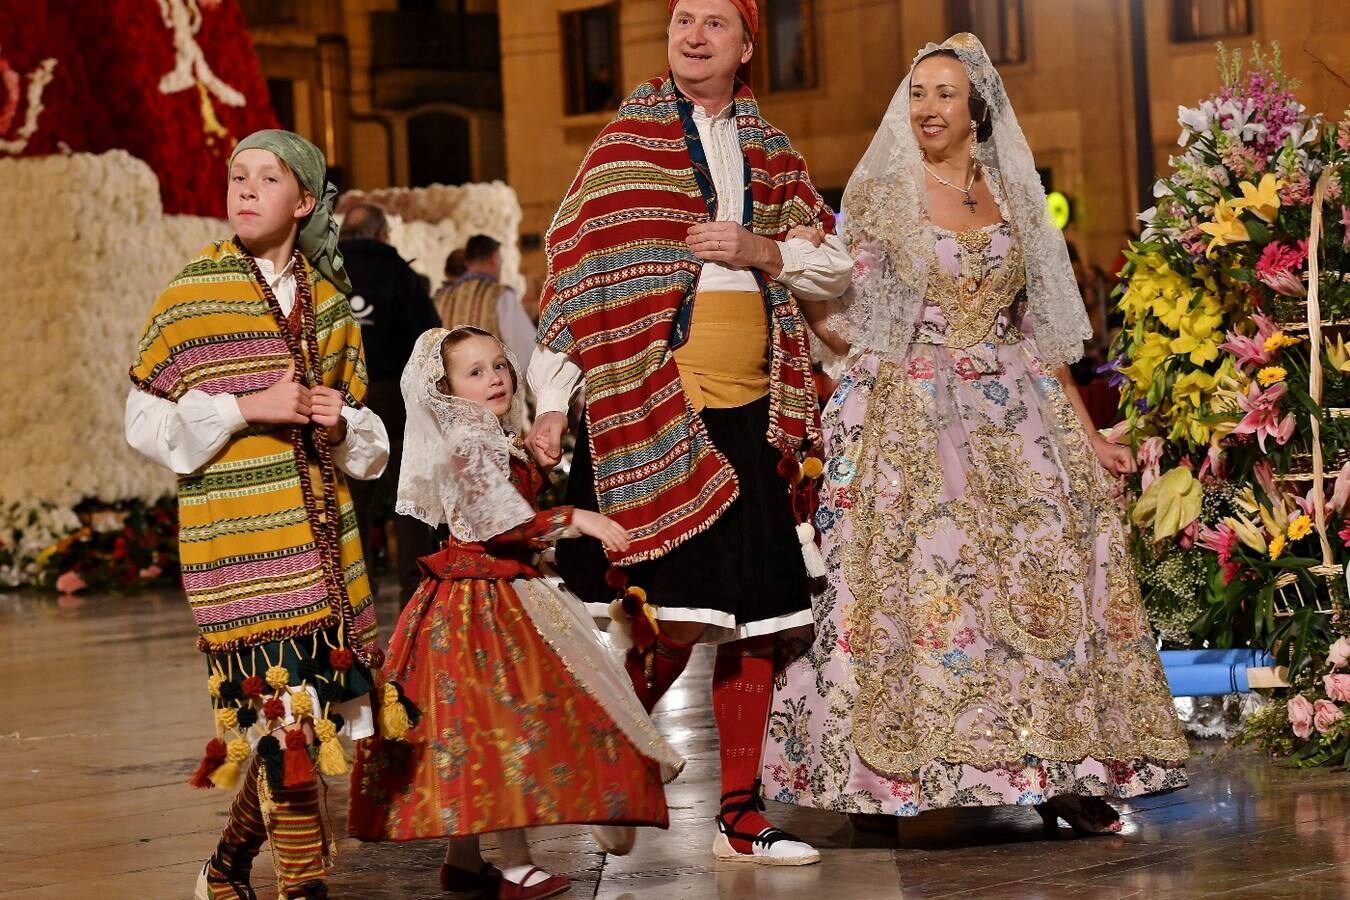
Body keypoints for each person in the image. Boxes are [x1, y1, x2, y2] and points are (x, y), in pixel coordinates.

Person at [762, 34, 1188, 836]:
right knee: (921, 578)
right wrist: (867, 368)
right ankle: (882, 781)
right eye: (918, 92)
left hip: (1017, 399)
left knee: (1047, 563)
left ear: (975, 109)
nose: (926, 107)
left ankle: (1062, 769)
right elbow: (828, 297)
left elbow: (1043, 322)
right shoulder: (886, 195)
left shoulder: (1013, 193)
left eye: (944, 94)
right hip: (911, 406)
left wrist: (1087, 429)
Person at [527, 0, 852, 865]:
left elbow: (834, 263)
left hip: (761, 412)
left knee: (758, 617)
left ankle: (738, 819)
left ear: (747, 45)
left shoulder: (774, 153)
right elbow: (576, 283)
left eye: (714, 22)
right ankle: (614, 767)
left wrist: (760, 250)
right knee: (675, 617)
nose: (694, 35)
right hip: (657, 408)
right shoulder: (619, 151)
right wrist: (554, 400)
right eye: (681, 20)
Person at [125, 129, 397, 900]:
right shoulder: (190, 295)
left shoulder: (335, 304)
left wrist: (338, 422)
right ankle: (303, 887)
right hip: (236, 548)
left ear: (304, 201)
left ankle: (226, 866)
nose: (244, 189)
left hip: (321, 552)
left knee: (301, 721)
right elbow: (142, 420)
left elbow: (368, 439)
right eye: (236, 176)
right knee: (289, 716)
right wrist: (246, 408)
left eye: (266, 178)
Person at [348, 327, 683, 900]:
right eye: (474, 372)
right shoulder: (469, 439)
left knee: (471, 732)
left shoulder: (486, 436)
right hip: (480, 603)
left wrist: (532, 456)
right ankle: (515, 864)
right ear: (445, 388)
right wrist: (578, 518)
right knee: (500, 728)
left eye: (500, 365)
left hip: (490, 589)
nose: (495, 378)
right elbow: (499, 522)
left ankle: (463, 859)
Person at [338, 202, 442, 601]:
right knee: (408, 498)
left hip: (342, 400)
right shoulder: (400, 273)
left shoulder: (322, 271)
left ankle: (354, 592)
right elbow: (430, 340)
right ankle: (414, 594)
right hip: (396, 399)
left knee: (352, 502)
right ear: (383, 234)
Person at [433, 235, 537, 371]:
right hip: (491, 387)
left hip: (449, 388)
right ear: (494, 259)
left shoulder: (441, 298)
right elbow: (527, 352)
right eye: (501, 261)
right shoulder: (500, 296)